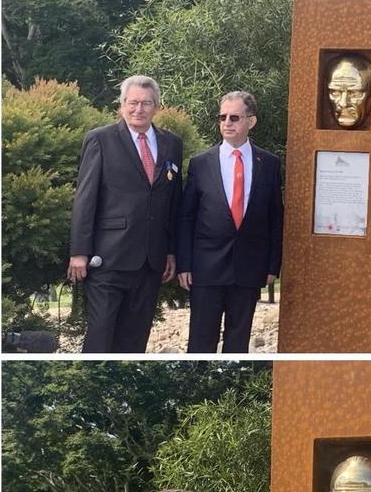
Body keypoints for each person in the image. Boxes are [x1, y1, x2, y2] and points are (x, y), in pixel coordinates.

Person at [68, 75, 183, 353]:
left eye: (146, 103)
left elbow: (173, 201)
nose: (138, 109)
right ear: (122, 105)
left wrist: (171, 251)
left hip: (150, 261)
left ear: (156, 106)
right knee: (100, 335)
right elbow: (85, 199)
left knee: (135, 338)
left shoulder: (172, 144)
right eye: (132, 103)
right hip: (107, 259)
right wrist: (79, 252)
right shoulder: (100, 140)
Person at [176, 91, 283, 352]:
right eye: (222, 117)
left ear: (251, 121)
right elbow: (186, 217)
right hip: (206, 267)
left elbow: (275, 218)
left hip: (248, 266)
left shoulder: (268, 163)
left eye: (234, 117)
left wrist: (272, 265)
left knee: (238, 342)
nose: (227, 123)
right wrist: (184, 263)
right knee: (201, 342)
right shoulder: (201, 163)